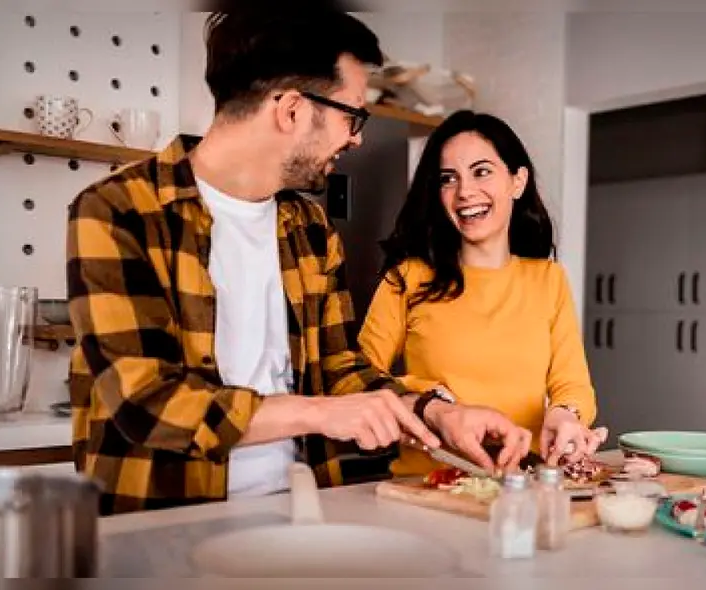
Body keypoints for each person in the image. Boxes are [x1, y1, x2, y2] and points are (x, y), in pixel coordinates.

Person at [65, 8, 530, 515]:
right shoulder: (118, 210)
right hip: (164, 525)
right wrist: (320, 413)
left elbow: (340, 370)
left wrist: (439, 413)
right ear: (290, 109)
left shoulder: (309, 228)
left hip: (301, 512)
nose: (356, 138)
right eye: (352, 115)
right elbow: (146, 403)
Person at [358, 110, 607, 479]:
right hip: (427, 486)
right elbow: (358, 378)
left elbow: (572, 383)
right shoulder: (407, 278)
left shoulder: (549, 280)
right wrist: (430, 400)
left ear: (517, 181)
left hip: (521, 484)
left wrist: (564, 414)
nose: (465, 192)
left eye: (482, 171)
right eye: (449, 178)